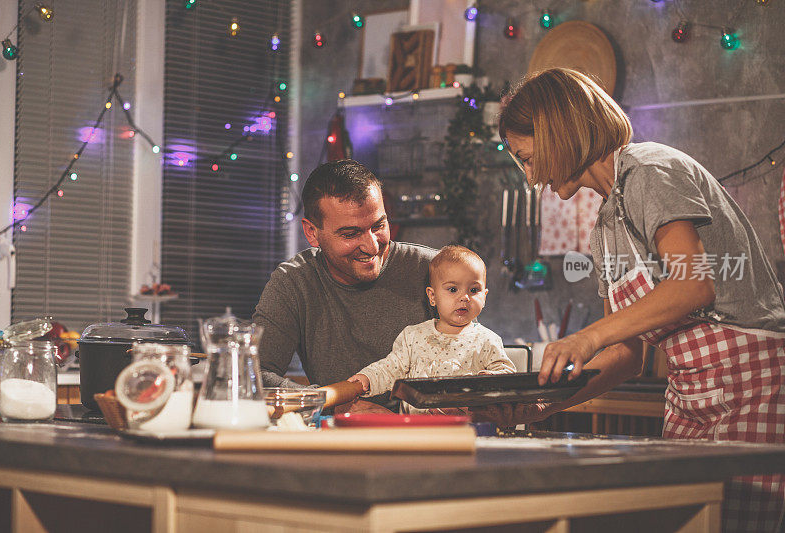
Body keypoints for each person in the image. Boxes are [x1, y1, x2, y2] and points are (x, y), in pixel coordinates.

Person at [476, 67, 785, 532]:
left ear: (559, 132)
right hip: (689, 400)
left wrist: (586, 337)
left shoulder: (650, 171)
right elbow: (626, 354)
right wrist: (544, 406)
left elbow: (692, 285)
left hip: (754, 390)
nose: (531, 177)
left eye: (527, 157)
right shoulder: (604, 227)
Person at [252, 159, 437, 411]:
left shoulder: (432, 269)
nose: (372, 247)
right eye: (350, 234)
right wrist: (341, 407)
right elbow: (253, 376)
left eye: (379, 226)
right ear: (312, 233)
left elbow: (474, 353)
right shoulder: (293, 282)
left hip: (430, 434)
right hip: (338, 439)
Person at [346, 245, 516, 413]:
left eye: (473, 290)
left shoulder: (487, 340)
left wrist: (492, 380)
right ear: (432, 296)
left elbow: (508, 375)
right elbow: (391, 368)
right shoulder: (413, 336)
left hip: (466, 429)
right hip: (416, 430)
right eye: (453, 289)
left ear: (484, 297)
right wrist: (367, 378)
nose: (464, 297)